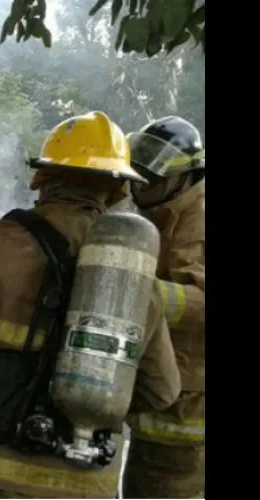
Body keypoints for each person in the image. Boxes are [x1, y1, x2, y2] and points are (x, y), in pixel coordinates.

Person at [0, 111, 182, 499]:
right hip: (84, 484)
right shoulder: (133, 275)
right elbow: (161, 390)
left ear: (42, 177)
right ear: (119, 190)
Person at [122, 116, 206, 499]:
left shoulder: (198, 220)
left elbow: (199, 300)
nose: (142, 185)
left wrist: (141, 293)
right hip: (157, 405)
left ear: (185, 177)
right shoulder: (159, 215)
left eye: (154, 177)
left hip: (191, 414)